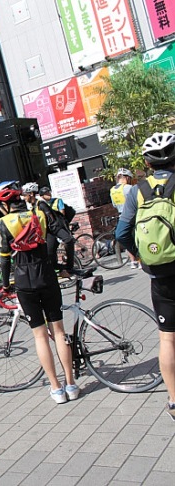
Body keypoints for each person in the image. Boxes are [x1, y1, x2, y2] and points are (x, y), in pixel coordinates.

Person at [0, 181, 79, 404]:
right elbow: (67, 238)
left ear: (3, 205)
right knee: (58, 332)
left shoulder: (4, 224)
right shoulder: (39, 214)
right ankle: (71, 384)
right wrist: (67, 266)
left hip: (24, 283)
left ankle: (56, 388)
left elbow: (4, 260)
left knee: (40, 336)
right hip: (48, 277)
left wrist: (4, 285)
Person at [116, 132, 175, 420]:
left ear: (148, 163)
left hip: (160, 274)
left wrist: (138, 256)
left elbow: (121, 233)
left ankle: (174, 401)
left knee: (168, 339)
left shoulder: (137, 192)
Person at [21, 182, 74, 277]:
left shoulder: (41, 204)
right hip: (46, 235)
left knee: (68, 240)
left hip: (52, 231)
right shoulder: (34, 207)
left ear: (31, 194)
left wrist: (57, 232)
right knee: (50, 258)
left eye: (25, 195)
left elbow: (52, 220)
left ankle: (70, 267)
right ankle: (61, 270)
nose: (24, 198)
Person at [109, 169, 140, 269]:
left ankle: (132, 261)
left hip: (121, 216)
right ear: (127, 178)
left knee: (127, 239)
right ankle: (140, 260)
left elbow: (114, 205)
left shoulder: (112, 190)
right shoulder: (129, 188)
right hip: (133, 215)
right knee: (136, 238)